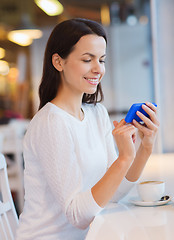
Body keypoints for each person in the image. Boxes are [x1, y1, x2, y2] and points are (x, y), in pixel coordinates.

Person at [15, 18, 159, 240]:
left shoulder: (97, 113)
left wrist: (144, 149)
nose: (97, 69)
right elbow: (77, 214)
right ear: (58, 62)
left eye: (101, 60)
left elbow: (113, 195)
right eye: (86, 59)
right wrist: (123, 159)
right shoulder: (51, 123)